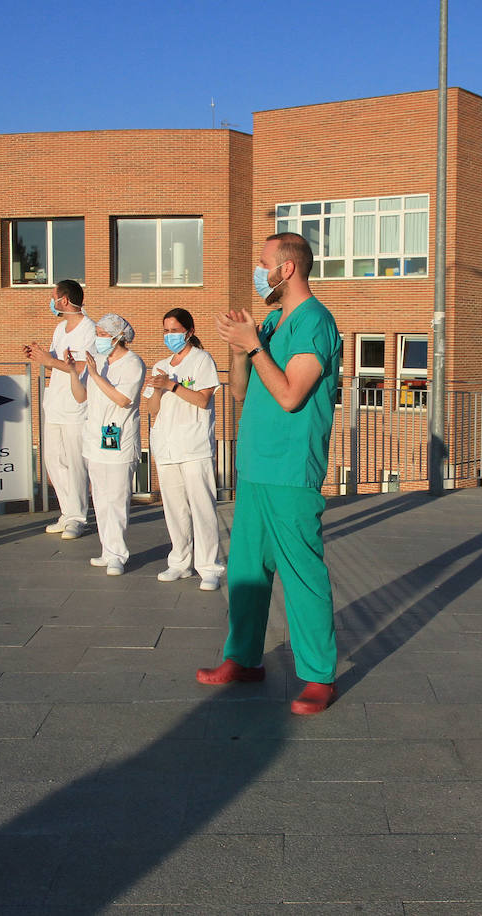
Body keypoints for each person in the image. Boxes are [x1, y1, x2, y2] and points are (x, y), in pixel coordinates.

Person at [197, 232, 343, 716]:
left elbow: (290, 395)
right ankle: (242, 658)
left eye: (264, 264)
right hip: (256, 465)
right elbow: (241, 392)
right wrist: (240, 351)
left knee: (301, 572)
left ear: (287, 269)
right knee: (245, 570)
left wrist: (255, 346)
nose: (259, 273)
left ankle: (319, 676)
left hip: (290, 467)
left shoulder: (315, 323)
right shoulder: (276, 320)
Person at [145, 307, 224, 591]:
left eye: (175, 330)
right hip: (166, 445)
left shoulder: (202, 360)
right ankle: (180, 562)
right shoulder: (160, 365)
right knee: (175, 508)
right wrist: (157, 388)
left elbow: (203, 400)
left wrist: (172, 385)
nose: (170, 335)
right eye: (166, 330)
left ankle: (209, 567)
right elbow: (152, 409)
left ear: (189, 332)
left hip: (194, 445)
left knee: (201, 506)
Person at [69, 313, 144, 576]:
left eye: (102, 334)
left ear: (118, 336)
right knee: (100, 499)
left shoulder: (133, 363)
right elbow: (82, 397)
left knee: (116, 499)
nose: (98, 339)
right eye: (97, 334)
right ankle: (107, 550)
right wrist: (72, 372)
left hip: (119, 441)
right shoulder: (98, 361)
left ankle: (118, 555)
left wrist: (94, 374)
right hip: (95, 441)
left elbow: (123, 399)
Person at [26, 279, 95, 540]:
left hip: (75, 406)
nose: (51, 301)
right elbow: (53, 363)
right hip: (54, 405)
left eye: (53, 296)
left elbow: (82, 366)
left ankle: (78, 516)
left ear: (64, 300)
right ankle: (67, 512)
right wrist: (39, 355)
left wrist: (50, 360)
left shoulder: (88, 329)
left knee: (74, 463)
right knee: (53, 461)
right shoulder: (60, 328)